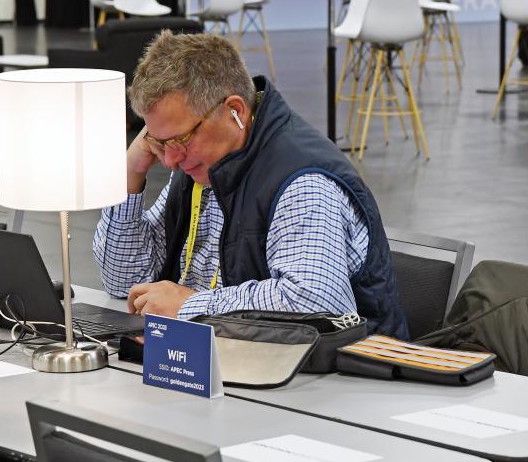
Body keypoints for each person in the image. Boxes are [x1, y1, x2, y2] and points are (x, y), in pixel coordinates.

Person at [92, 31, 409, 338]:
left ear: (235, 111)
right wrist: (130, 173)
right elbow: (124, 281)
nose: (171, 160)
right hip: (230, 357)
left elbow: (319, 306)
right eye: (160, 143)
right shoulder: (199, 168)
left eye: (180, 139)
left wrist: (191, 305)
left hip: (331, 370)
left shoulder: (303, 183)